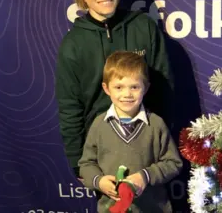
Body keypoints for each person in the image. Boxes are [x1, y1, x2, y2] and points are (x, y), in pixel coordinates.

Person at [55, 0, 173, 178]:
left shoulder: (143, 27)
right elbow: (70, 109)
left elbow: (165, 90)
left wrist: (160, 144)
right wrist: (78, 164)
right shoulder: (73, 44)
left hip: (147, 151)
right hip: (102, 155)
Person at [78, 51, 182, 212]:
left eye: (134, 87)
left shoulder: (156, 124)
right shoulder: (99, 125)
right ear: (106, 88)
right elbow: (86, 164)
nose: (127, 94)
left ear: (145, 88)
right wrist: (99, 181)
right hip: (110, 209)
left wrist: (146, 176)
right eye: (118, 87)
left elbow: (173, 163)